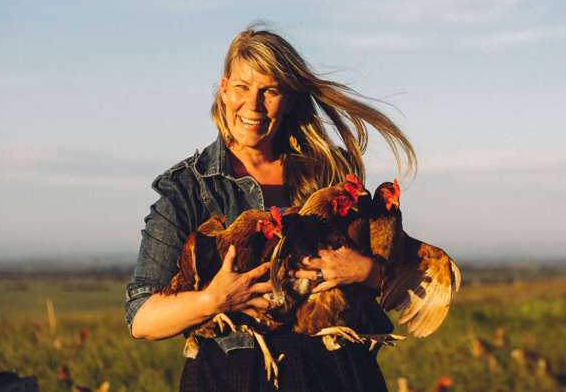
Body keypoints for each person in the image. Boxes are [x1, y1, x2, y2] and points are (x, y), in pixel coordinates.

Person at [124, 24, 417, 392]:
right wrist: (214, 299)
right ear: (224, 88)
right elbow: (141, 318)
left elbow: (403, 282)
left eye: (270, 91)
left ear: (289, 99)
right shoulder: (187, 189)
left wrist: (368, 271)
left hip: (336, 370)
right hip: (233, 376)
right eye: (243, 88)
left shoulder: (330, 172)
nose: (254, 105)